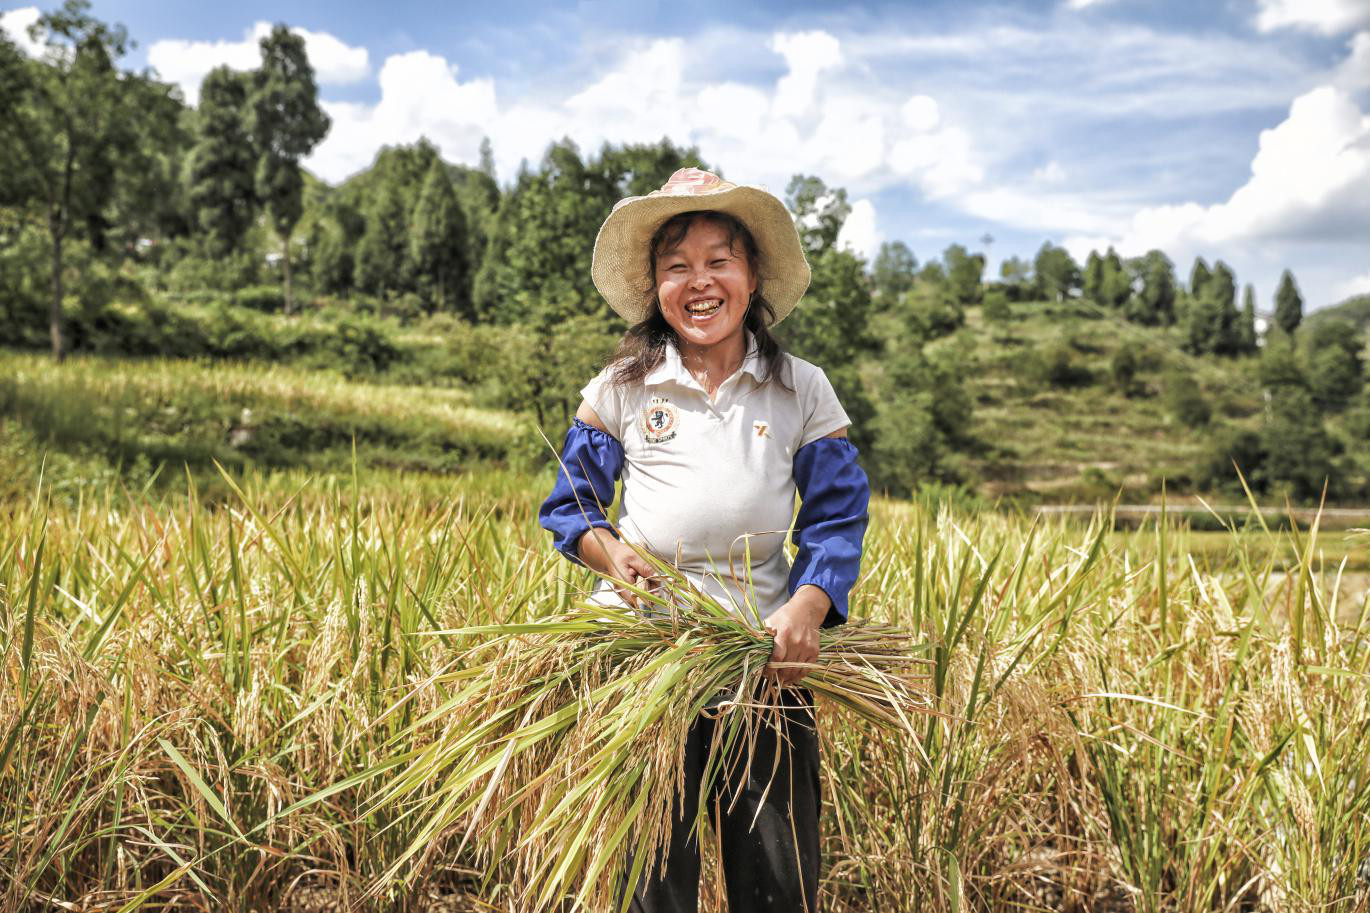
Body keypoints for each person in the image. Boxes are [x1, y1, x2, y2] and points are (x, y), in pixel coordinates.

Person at [538, 167, 870, 913]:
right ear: (655, 286)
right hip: (644, 653)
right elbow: (572, 505)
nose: (700, 282)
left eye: (719, 260)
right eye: (676, 265)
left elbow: (837, 518)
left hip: (763, 657)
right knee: (650, 883)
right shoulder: (621, 387)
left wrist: (808, 607)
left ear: (752, 277)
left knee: (776, 880)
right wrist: (610, 553)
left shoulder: (802, 389)